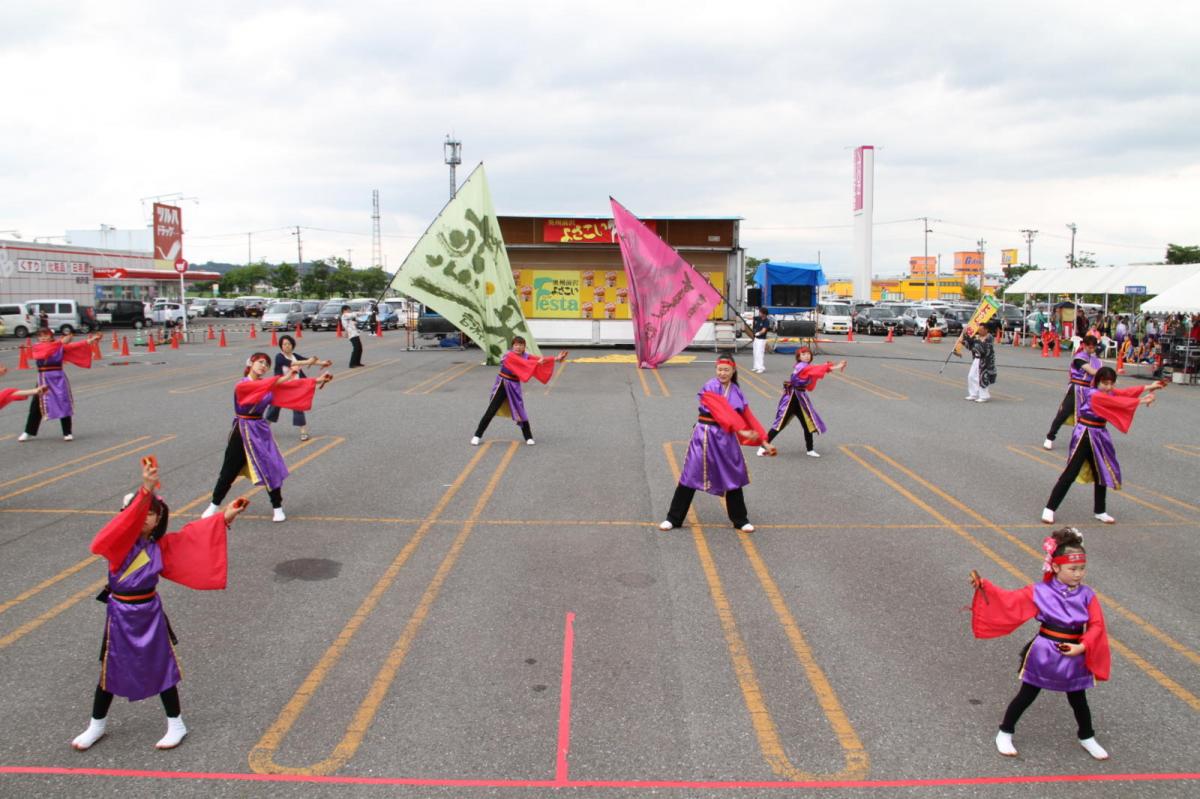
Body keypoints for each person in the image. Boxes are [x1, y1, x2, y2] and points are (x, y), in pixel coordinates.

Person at [71, 458, 247, 752]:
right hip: (119, 614)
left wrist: (227, 514)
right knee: (109, 669)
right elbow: (107, 535)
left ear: (159, 518)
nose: (145, 518)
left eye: (152, 514)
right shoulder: (118, 545)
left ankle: (176, 723)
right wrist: (146, 490)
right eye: (140, 513)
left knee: (162, 667)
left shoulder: (159, 547)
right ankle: (96, 724)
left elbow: (194, 538)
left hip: (148, 612)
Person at [969, 527, 1111, 761]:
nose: (1078, 574)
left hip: (1075, 652)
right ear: (1055, 567)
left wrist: (1082, 646)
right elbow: (1009, 600)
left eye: (1082, 569)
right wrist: (986, 587)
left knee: (1078, 698)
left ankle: (1087, 736)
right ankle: (1005, 731)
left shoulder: (1088, 595)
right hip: (1045, 650)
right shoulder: (1040, 591)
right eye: (1072, 568)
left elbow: (1096, 625)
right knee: (1027, 693)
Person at [201, 353, 333, 523]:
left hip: (260, 430)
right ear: (250, 363)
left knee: (270, 467)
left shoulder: (267, 385)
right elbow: (265, 386)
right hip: (241, 430)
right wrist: (285, 377)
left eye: (266, 364)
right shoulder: (242, 385)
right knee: (229, 470)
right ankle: (214, 505)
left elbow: (290, 387)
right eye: (260, 362)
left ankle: (277, 508)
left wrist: (318, 381)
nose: (263, 366)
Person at [660, 356, 776, 533]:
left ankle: (740, 520)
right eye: (719, 369)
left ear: (733, 371)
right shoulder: (710, 386)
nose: (722, 373)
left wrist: (764, 441)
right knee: (690, 474)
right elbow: (720, 411)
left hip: (726, 438)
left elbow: (747, 416)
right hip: (704, 435)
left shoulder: (736, 390)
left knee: (733, 476)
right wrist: (741, 430)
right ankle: (673, 518)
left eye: (726, 370)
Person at [1041, 367, 1164, 525]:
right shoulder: (1094, 395)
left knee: (1101, 471)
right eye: (1105, 383)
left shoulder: (1107, 392)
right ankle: (1049, 509)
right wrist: (1142, 400)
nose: (1108, 387)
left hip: (1100, 434)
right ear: (1097, 381)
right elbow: (1117, 402)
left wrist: (1149, 387)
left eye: (1111, 383)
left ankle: (1100, 510)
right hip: (1085, 434)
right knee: (1070, 473)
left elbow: (1123, 393)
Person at [471, 337, 567, 446]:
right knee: (491, 410)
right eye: (516, 345)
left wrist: (555, 358)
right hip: (503, 384)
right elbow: (525, 363)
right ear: (512, 346)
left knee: (520, 411)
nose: (518, 347)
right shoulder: (509, 355)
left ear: (524, 347)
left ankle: (528, 437)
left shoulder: (525, 356)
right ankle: (477, 435)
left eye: (521, 345)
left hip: (514, 385)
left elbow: (538, 359)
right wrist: (536, 362)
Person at [18, 327, 102, 442]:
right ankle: (28, 431)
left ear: (51, 336)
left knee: (63, 402)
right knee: (37, 405)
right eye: (41, 335)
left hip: (58, 377)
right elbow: (44, 352)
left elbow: (74, 346)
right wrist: (60, 342)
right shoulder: (37, 346)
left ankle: (67, 432)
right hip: (43, 379)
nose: (43, 338)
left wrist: (92, 339)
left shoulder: (59, 346)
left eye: (46, 335)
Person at [759, 347, 846, 458]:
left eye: (808, 354)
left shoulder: (807, 367)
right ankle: (762, 447)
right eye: (803, 354)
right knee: (779, 424)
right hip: (793, 398)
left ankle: (810, 449)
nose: (806, 356)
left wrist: (832, 367)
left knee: (807, 424)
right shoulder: (801, 366)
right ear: (799, 357)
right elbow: (816, 369)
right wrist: (835, 366)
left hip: (800, 397)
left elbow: (816, 369)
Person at [265, 334, 331, 442]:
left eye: (289, 344)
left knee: (298, 407)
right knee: (274, 407)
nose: (286, 346)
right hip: (282, 387)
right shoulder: (279, 357)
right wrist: (308, 361)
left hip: (295, 387)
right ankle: (264, 427)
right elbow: (295, 363)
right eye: (284, 344)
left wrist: (322, 362)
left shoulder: (294, 355)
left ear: (292, 345)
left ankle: (303, 431)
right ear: (281, 346)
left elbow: (308, 360)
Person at [1043, 335, 1102, 450]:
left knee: (1089, 416)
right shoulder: (1079, 358)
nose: (1092, 349)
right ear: (1084, 345)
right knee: (1063, 413)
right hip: (1076, 388)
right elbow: (1091, 371)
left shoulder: (1097, 361)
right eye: (1089, 347)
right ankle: (1050, 437)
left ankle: (1087, 440)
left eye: (1093, 347)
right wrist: (1104, 373)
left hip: (1089, 391)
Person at [958, 321, 997, 403]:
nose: (979, 331)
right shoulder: (977, 337)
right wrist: (965, 335)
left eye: (981, 329)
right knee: (971, 376)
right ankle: (973, 394)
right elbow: (970, 345)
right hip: (977, 359)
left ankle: (984, 396)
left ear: (986, 330)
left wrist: (972, 341)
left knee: (983, 378)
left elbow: (982, 349)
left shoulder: (989, 338)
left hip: (985, 361)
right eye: (979, 329)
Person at [751, 307, 771, 373]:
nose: (759, 313)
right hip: (756, 339)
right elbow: (752, 318)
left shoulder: (766, 321)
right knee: (755, 352)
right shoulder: (758, 318)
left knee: (760, 353)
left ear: (764, 314)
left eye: (760, 312)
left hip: (761, 339)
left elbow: (764, 330)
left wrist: (758, 333)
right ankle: (756, 366)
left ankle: (761, 367)